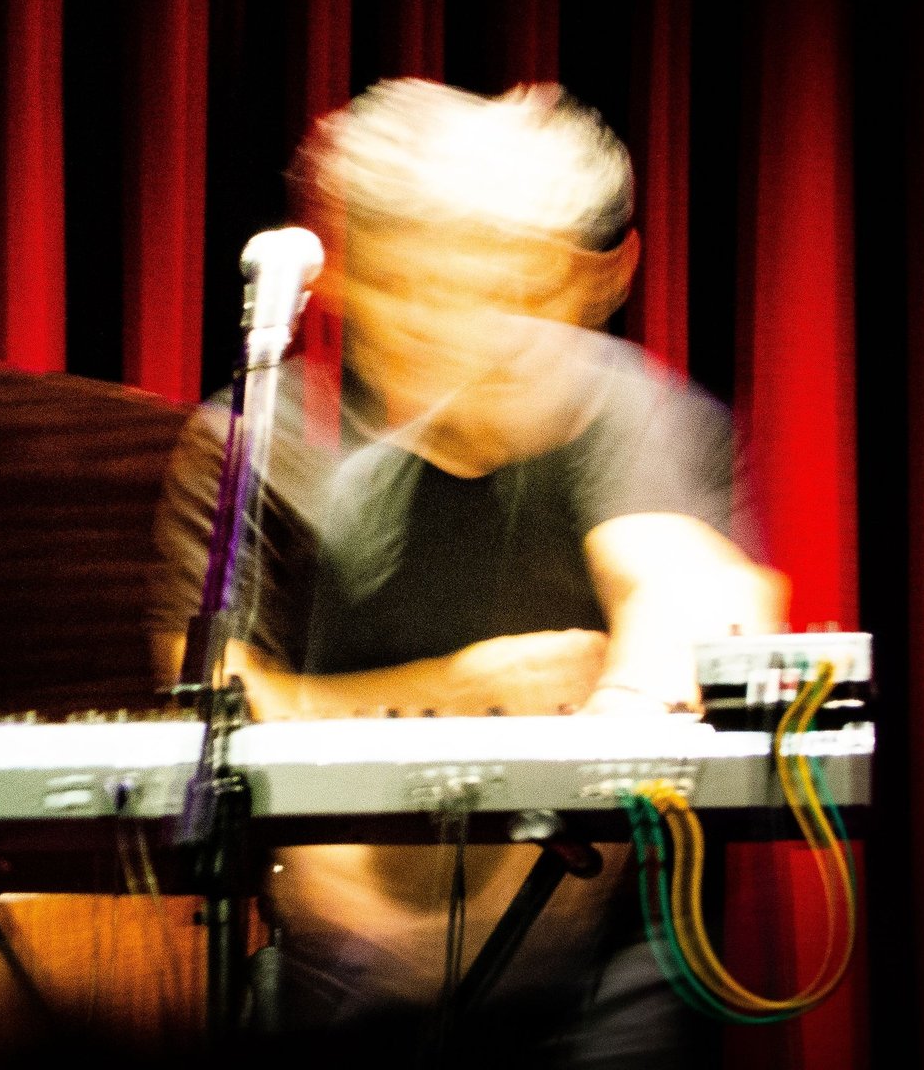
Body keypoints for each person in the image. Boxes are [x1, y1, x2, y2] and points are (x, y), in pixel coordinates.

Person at [147, 79, 789, 1065]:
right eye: (405, 278)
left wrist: (635, 686)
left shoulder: (622, 413)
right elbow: (213, 705)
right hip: (334, 988)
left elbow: (677, 583)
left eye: (480, 280)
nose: (440, 317)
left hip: (596, 1002)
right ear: (352, 270)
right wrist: (461, 691)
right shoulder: (258, 440)